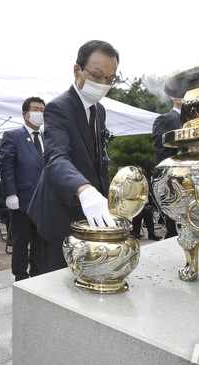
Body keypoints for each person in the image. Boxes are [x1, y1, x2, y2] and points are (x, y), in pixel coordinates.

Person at [27, 40, 119, 272]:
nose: (103, 84)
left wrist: (109, 199)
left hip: (88, 213)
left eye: (110, 79)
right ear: (77, 70)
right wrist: (86, 191)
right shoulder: (59, 107)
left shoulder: (100, 110)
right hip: (59, 211)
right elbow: (56, 158)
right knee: (54, 282)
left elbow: (98, 160)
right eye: (97, 76)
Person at [0, 97, 46, 280]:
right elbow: (6, 166)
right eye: (35, 109)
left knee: (40, 241)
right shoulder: (13, 136)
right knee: (20, 241)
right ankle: (20, 275)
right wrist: (10, 194)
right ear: (25, 113)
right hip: (22, 199)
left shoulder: (46, 136)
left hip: (44, 199)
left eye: (42, 110)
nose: (39, 113)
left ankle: (38, 273)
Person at [151, 95, 182, 239]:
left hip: (197, 177)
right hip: (176, 180)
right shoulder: (165, 119)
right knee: (175, 226)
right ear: (173, 97)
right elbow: (161, 152)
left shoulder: (195, 120)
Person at [130, 168, 162, 241]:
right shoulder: (131, 182)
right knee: (140, 213)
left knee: (147, 211)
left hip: (142, 204)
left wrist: (146, 199)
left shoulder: (144, 181)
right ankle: (135, 231)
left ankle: (151, 233)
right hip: (132, 204)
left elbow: (147, 192)